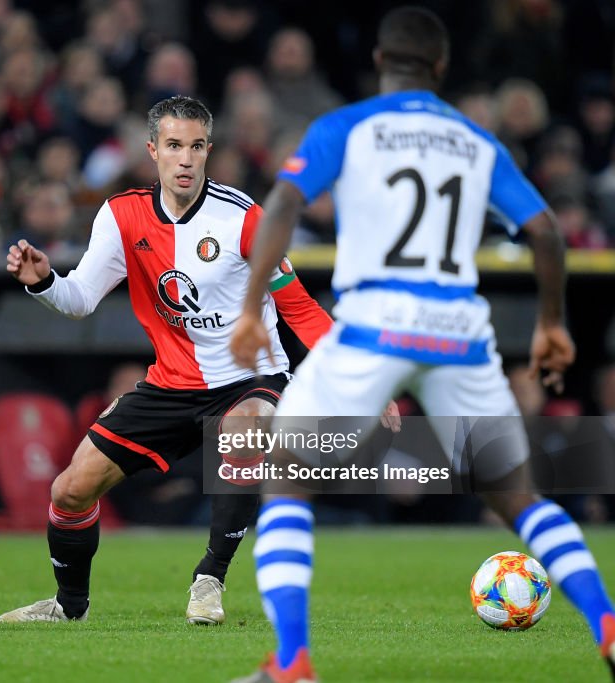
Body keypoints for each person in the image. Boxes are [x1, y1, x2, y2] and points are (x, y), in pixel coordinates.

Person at [228, 7, 615, 682]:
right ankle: (608, 623)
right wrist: (553, 323)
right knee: (519, 496)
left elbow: (284, 203)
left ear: (380, 58)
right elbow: (547, 231)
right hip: (459, 330)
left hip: (376, 319)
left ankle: (291, 661)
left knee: (287, 471)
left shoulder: (345, 127)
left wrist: (250, 304)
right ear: (439, 68)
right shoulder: (476, 141)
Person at [0, 95, 340, 627]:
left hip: (250, 377)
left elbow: (300, 307)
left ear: (208, 151)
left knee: (246, 431)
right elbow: (80, 300)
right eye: (174, 146)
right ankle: (69, 607)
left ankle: (209, 578)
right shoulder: (122, 215)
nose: (186, 159)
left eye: (197, 147)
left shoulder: (246, 218)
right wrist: (42, 281)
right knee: (69, 489)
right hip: (171, 384)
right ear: (152, 150)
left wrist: (360, 375)